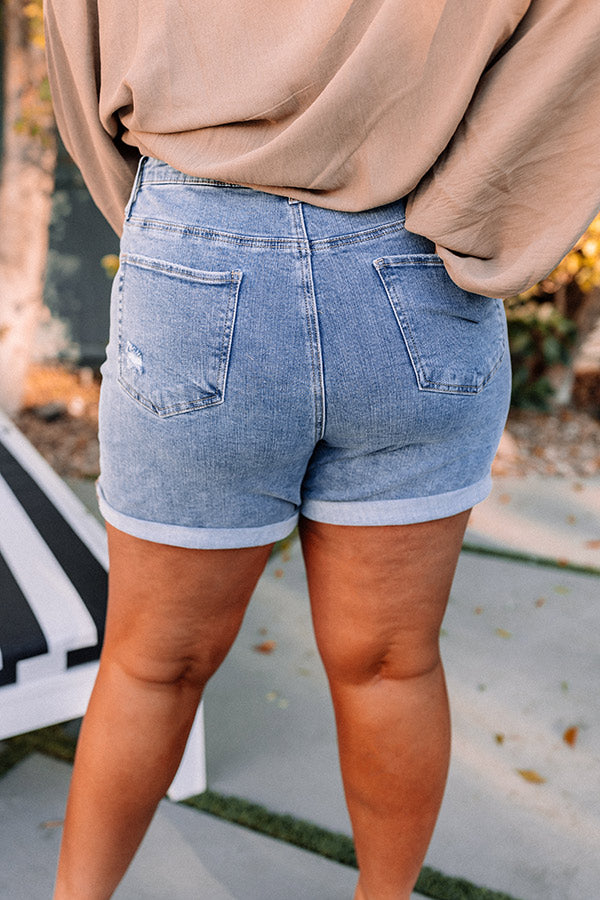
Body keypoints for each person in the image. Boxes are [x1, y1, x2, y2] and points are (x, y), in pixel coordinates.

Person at [43, 1, 600, 898]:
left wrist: (170, 225)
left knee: (153, 664)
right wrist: (475, 209)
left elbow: (78, 33)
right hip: (414, 265)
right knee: (391, 663)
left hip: (198, 248)